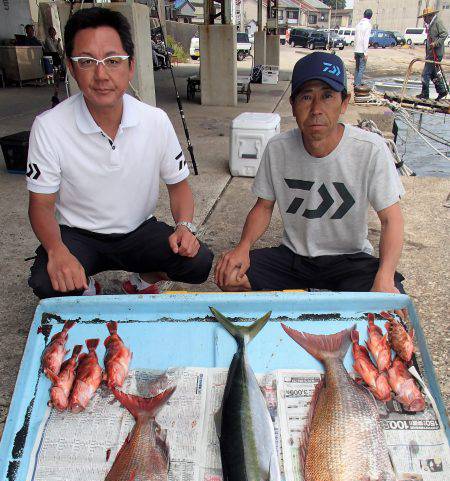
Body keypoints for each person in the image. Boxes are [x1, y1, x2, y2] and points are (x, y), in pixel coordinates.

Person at [26, 7, 212, 298]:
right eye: (87, 61)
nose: (101, 74)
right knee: (46, 282)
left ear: (131, 66)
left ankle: (142, 280)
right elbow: (40, 206)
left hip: (139, 230)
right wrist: (56, 250)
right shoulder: (48, 126)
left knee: (198, 262)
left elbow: (179, 188)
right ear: (72, 68)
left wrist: (185, 227)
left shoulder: (155, 120)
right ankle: (85, 285)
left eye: (113, 61)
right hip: (78, 235)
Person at [215, 52, 405, 295]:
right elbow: (263, 207)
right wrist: (243, 247)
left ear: (344, 103)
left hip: (349, 261)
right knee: (229, 277)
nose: (316, 109)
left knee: (392, 295)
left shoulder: (371, 149)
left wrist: (385, 276)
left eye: (327, 96)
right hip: (294, 258)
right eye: (306, 97)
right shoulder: (277, 148)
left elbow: (392, 219)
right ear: (293, 105)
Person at [416, 6, 448, 101]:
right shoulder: (430, 24)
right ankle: (442, 91)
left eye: (425, 17)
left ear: (430, 16)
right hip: (430, 53)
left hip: (436, 53)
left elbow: (444, 34)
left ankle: (425, 94)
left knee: (425, 74)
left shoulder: (437, 22)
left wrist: (436, 43)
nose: (424, 20)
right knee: (433, 73)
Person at [353, 8, 372, 90]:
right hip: (362, 50)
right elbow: (366, 40)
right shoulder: (368, 25)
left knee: (357, 67)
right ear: (370, 16)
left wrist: (354, 51)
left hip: (356, 49)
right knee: (361, 68)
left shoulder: (358, 24)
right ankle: (357, 84)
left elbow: (355, 38)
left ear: (364, 15)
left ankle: (355, 82)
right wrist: (366, 53)